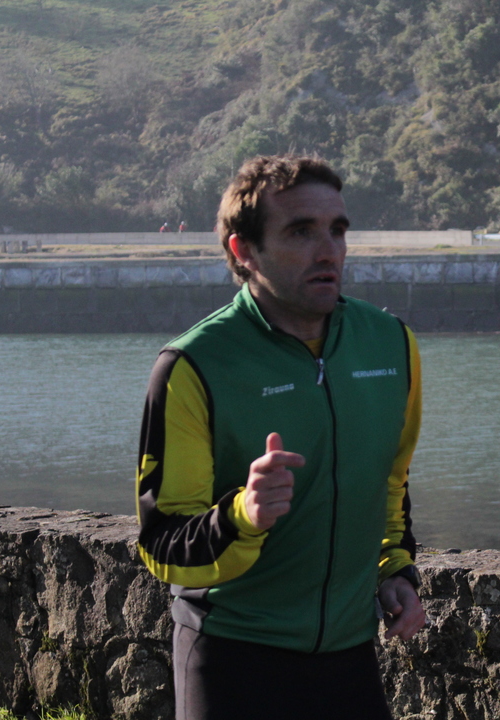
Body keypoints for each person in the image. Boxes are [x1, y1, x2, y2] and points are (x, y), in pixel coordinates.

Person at [135, 154, 425, 720]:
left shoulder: (391, 344)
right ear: (244, 250)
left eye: (337, 230)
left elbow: (390, 485)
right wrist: (243, 515)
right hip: (233, 657)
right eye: (301, 232)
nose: (329, 250)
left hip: (349, 657)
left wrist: (394, 569)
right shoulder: (193, 365)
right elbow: (162, 545)